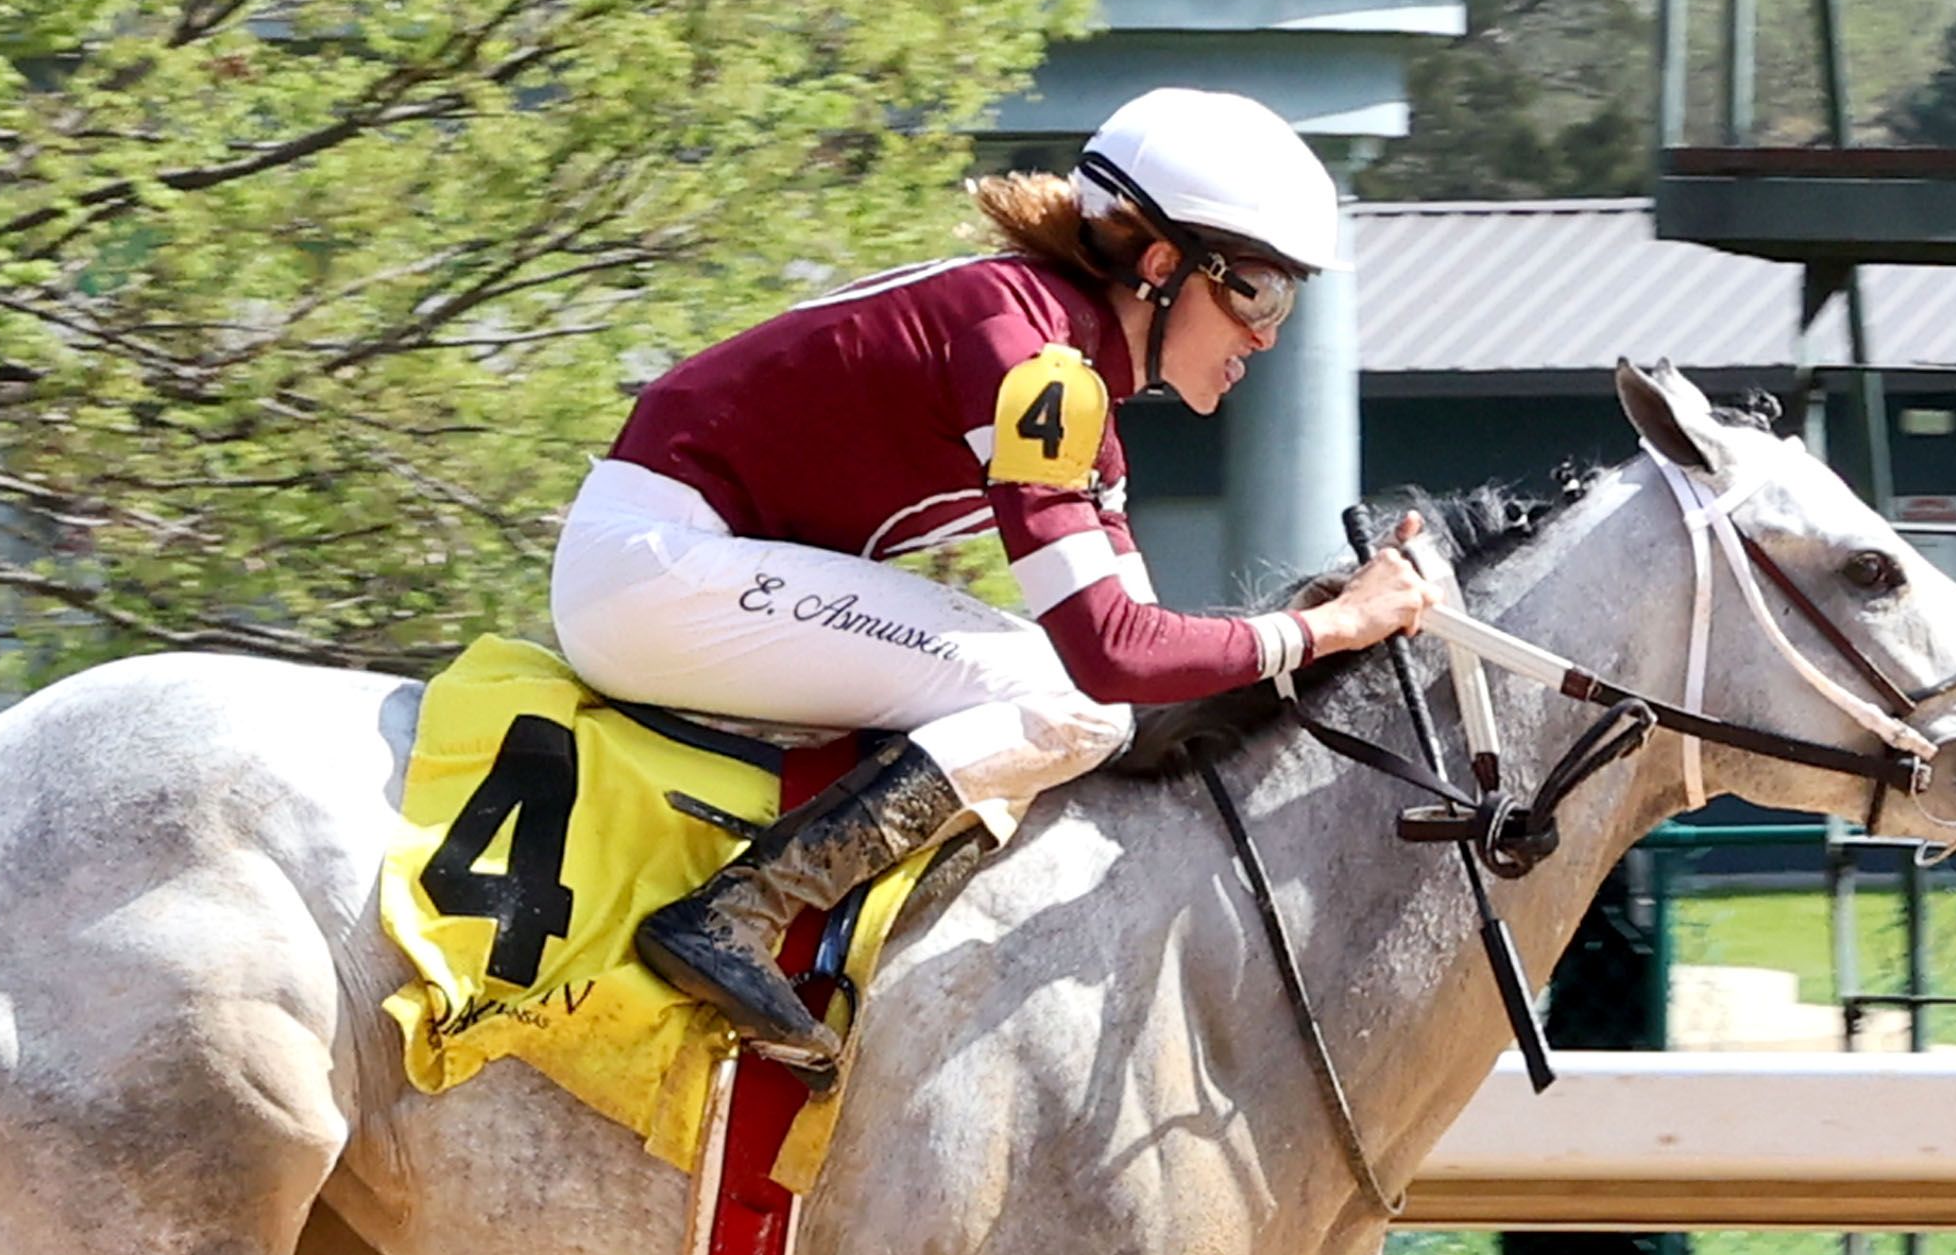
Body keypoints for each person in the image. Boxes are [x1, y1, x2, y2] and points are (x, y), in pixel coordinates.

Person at [559, 86, 1435, 1076]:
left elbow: (1145, 656)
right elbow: (1107, 657)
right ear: (1161, 267)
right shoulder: (1037, 365)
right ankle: (739, 912)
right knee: (1068, 702)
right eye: (1260, 293)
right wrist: (1337, 629)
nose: (1268, 336)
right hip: (656, 568)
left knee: (1072, 703)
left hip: (683, 566)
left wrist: (1321, 617)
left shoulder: (1072, 387)